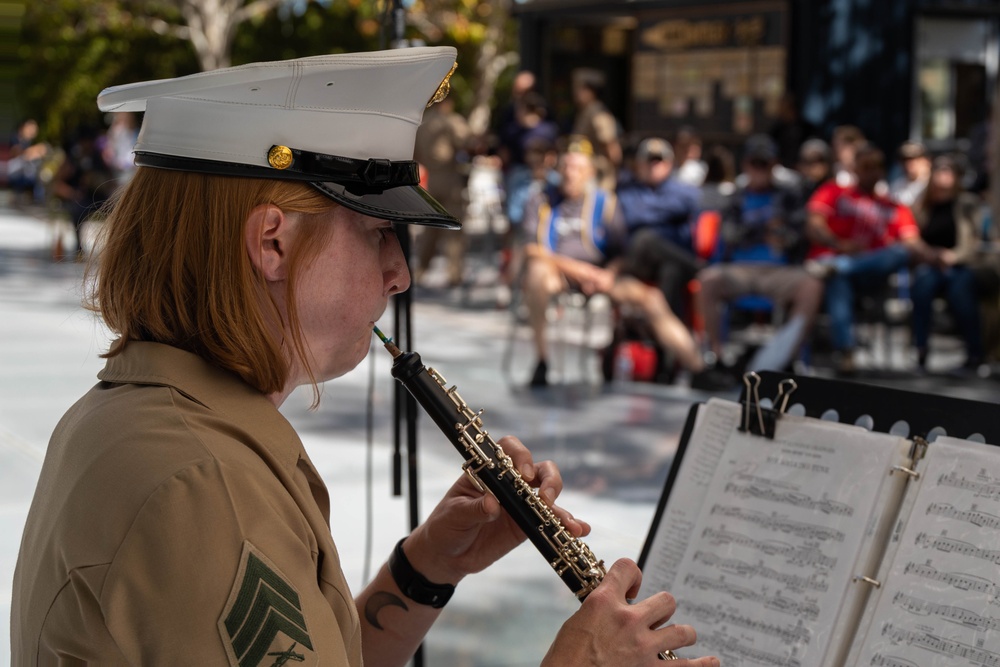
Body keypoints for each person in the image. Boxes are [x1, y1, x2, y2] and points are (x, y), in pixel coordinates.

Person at [11, 48, 717, 667]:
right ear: (273, 242)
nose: (400, 272)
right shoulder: (203, 482)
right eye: (380, 232)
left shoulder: (159, 418)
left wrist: (427, 567)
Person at [522, 137, 705, 387]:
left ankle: (697, 367)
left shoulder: (605, 202)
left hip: (600, 275)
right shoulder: (541, 199)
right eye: (566, 167)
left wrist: (608, 273)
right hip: (558, 274)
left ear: (589, 173)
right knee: (536, 273)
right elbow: (533, 249)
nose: (570, 174)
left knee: (651, 299)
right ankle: (542, 361)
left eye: (577, 168)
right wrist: (579, 270)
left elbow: (621, 250)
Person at [692, 134, 823, 386]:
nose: (760, 170)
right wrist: (765, 229)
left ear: (774, 165)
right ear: (746, 165)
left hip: (778, 271)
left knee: (812, 286)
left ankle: (783, 359)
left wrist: (778, 234)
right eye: (755, 163)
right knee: (707, 281)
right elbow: (730, 235)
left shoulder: (790, 194)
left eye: (766, 163)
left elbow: (797, 237)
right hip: (740, 270)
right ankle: (717, 359)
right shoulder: (736, 197)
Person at [805, 143, 922, 374]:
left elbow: (912, 243)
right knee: (839, 283)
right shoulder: (833, 192)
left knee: (899, 252)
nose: (872, 171)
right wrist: (838, 244)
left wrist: (941, 256)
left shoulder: (893, 206)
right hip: (838, 270)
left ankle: (840, 267)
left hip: (871, 274)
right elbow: (813, 225)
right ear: (855, 168)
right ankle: (846, 352)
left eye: (877, 167)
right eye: (866, 166)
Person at [908, 154, 985, 371]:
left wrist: (953, 257)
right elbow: (912, 237)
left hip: (961, 264)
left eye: (949, 170)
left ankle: (974, 353)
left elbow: (976, 241)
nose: (944, 174)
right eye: (939, 169)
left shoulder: (967, 203)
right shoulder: (922, 204)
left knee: (960, 290)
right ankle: (920, 349)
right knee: (922, 285)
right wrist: (932, 255)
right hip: (930, 263)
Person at [616, 137, 704, 316]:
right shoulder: (627, 191)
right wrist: (670, 211)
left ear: (669, 164)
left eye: (658, 161)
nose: (653, 165)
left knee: (671, 270)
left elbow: (700, 204)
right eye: (648, 161)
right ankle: (700, 269)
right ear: (638, 164)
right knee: (645, 238)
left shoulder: (684, 190)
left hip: (672, 257)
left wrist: (651, 210)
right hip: (639, 261)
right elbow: (634, 216)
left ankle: (666, 338)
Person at [412, 95, 472, 287]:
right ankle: (454, 274)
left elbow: (415, 153)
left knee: (430, 228)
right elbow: (467, 143)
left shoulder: (422, 123)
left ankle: (420, 270)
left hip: (431, 179)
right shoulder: (451, 121)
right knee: (454, 228)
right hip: (450, 177)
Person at [570, 68, 623, 191]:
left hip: (598, 177)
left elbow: (612, 149)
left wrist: (612, 173)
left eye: (580, 88)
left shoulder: (598, 114)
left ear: (590, 91)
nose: (576, 92)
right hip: (585, 174)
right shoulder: (584, 112)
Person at [889, 140, 931, 207]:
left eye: (915, 159)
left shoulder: (932, 184)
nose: (909, 164)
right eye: (904, 160)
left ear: (926, 160)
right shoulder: (897, 185)